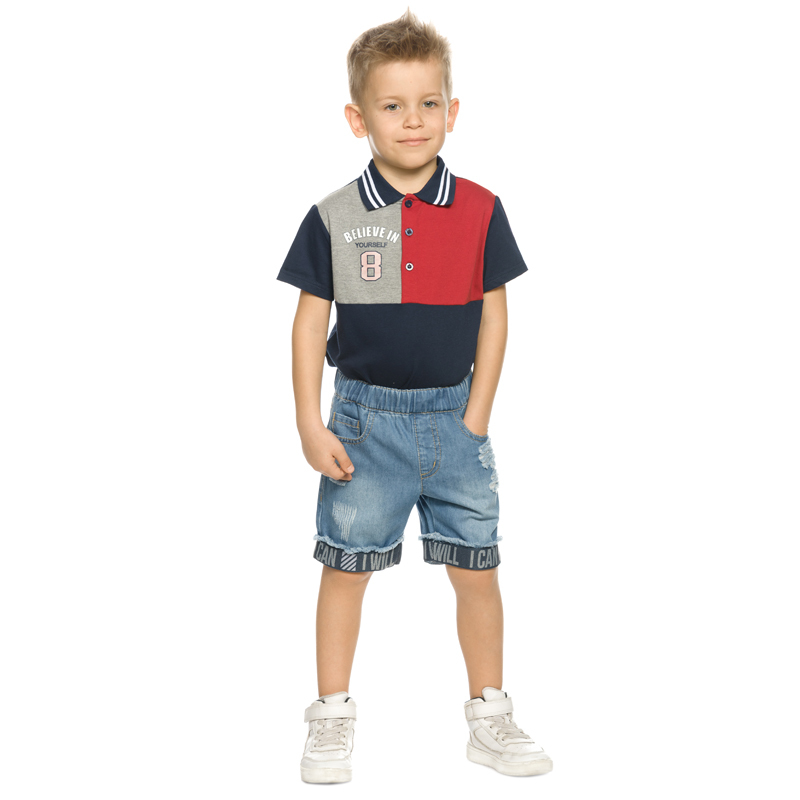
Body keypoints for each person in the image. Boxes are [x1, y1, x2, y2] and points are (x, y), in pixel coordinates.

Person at [276, 9, 553, 783]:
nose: (412, 120)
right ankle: (331, 716)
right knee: (346, 567)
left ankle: (490, 716)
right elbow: (309, 323)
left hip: (454, 422)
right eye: (392, 105)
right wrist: (309, 423)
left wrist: (478, 413)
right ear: (357, 118)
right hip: (363, 426)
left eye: (429, 103)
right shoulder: (333, 216)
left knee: (478, 568)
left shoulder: (481, 208)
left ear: (452, 111)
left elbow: (495, 313)